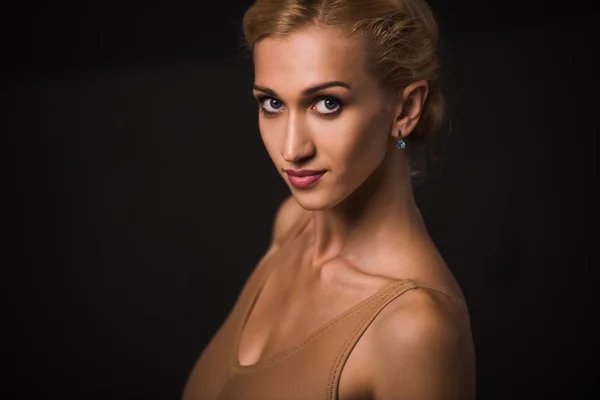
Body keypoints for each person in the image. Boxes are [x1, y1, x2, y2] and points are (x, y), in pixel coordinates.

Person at [182, 0, 475, 398]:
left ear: (405, 110)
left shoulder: (415, 329)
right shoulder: (292, 226)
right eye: (272, 103)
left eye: (327, 103)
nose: (291, 148)